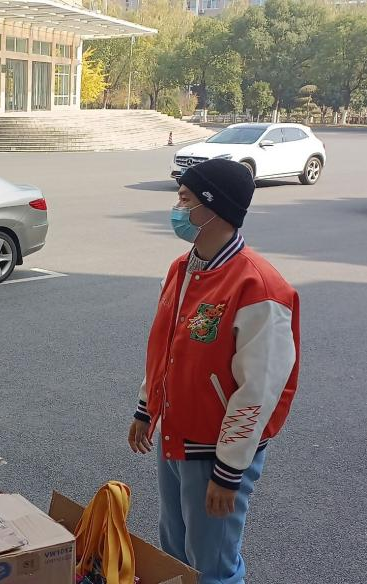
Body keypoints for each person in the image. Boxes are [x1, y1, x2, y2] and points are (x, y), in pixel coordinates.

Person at [128, 159, 300, 584]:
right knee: (174, 554)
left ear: (214, 207)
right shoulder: (181, 269)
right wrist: (146, 408)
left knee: (213, 566)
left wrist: (228, 471)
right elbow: (166, 350)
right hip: (176, 435)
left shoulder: (259, 288)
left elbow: (259, 391)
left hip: (216, 451)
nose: (177, 208)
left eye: (185, 199)